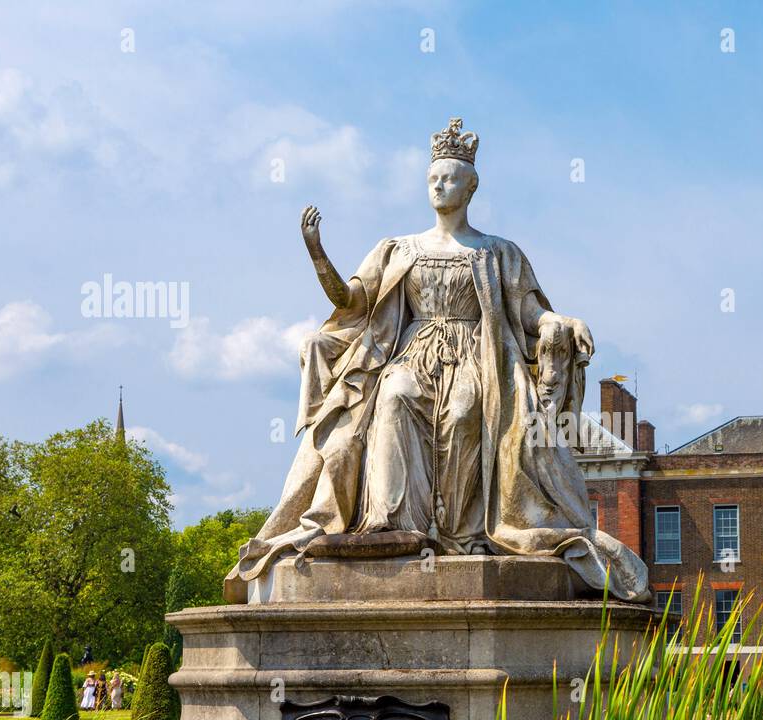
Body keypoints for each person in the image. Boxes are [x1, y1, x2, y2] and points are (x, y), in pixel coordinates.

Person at [228, 118, 648, 603]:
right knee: (394, 395)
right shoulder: (399, 248)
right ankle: (392, 524)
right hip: (411, 350)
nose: (439, 186)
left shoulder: (498, 252)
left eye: (449, 179)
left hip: (477, 355)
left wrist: (564, 320)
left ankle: (459, 535)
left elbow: (529, 313)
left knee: (468, 410)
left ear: (470, 186)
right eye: (432, 179)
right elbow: (351, 303)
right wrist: (318, 254)